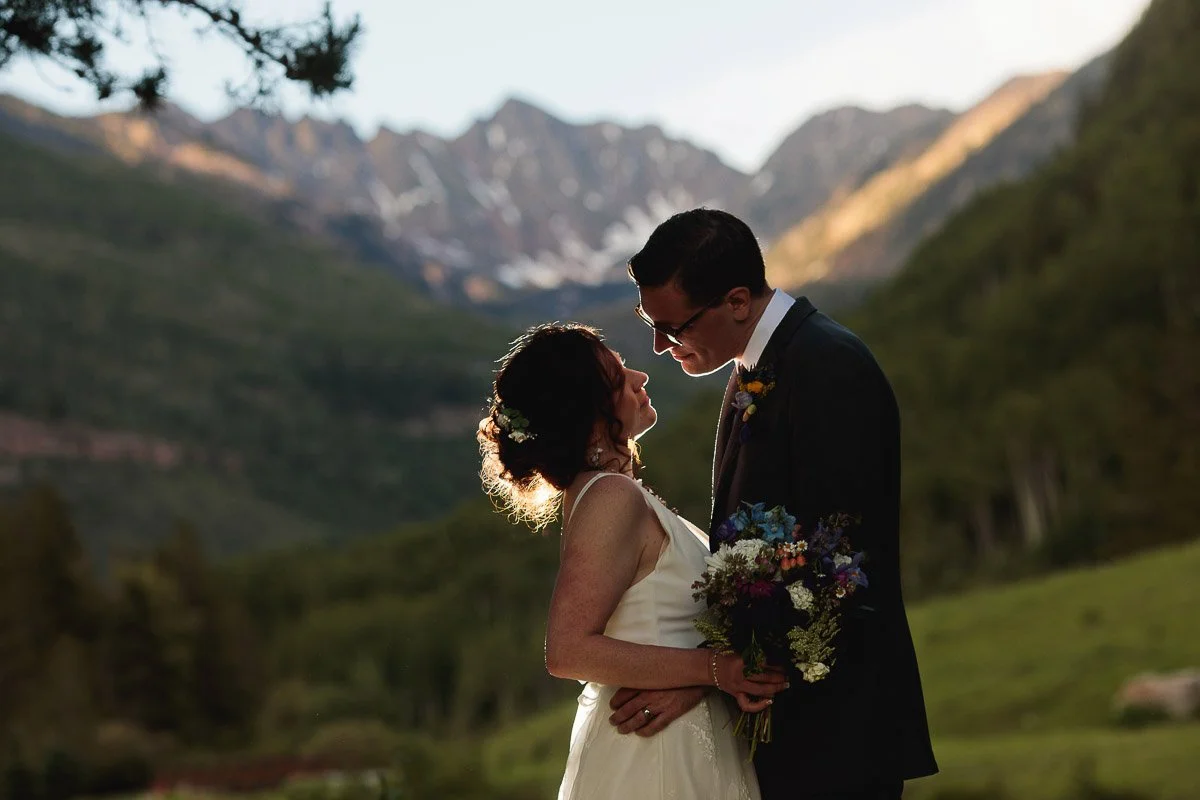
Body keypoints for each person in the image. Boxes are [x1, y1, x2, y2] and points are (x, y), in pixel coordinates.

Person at [615, 208, 939, 799]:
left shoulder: (828, 364)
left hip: (838, 728)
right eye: (650, 325)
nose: (659, 346)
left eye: (673, 328)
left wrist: (712, 679)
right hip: (788, 725)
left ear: (737, 301)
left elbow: (841, 565)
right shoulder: (757, 368)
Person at [479, 322, 785, 800]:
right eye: (620, 376)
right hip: (657, 756)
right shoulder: (610, 497)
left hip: (679, 737)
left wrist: (701, 681)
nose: (641, 377)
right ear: (591, 410)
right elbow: (568, 650)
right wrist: (714, 671)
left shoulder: (611, 492)